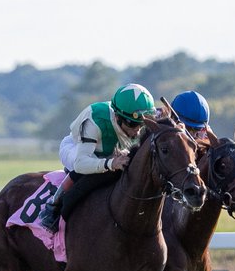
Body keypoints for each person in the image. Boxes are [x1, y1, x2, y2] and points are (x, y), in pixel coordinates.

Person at [37, 83, 158, 232]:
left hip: (109, 152)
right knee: (85, 171)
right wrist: (111, 163)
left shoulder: (135, 115)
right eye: (133, 124)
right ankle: (53, 206)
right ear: (117, 116)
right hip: (76, 149)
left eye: (141, 124)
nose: (138, 130)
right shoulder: (95, 120)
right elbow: (81, 164)